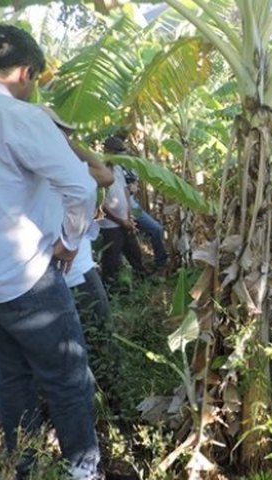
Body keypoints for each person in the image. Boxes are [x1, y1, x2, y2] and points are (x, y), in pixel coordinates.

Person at [0, 25, 101, 479]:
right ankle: (82, 468)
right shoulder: (20, 117)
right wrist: (69, 242)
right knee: (66, 375)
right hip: (23, 276)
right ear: (23, 72)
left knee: (9, 377)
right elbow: (82, 186)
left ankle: (27, 466)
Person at [39, 106, 119, 394]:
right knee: (98, 338)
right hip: (76, 272)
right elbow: (104, 176)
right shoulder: (62, 166)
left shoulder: (24, 165)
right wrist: (69, 144)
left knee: (64, 347)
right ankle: (106, 398)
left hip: (45, 275)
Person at [98, 136, 148, 288]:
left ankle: (143, 282)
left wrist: (128, 217)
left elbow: (125, 191)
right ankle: (109, 289)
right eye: (117, 153)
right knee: (111, 259)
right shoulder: (98, 171)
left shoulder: (118, 169)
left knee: (134, 253)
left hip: (125, 220)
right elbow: (101, 203)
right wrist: (120, 221)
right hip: (110, 224)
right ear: (107, 151)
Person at [126, 173, 169, 268]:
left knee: (156, 229)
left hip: (134, 206)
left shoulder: (128, 167)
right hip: (127, 208)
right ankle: (160, 262)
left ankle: (160, 262)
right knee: (156, 229)